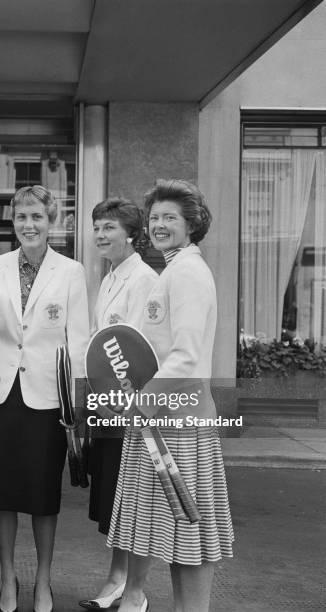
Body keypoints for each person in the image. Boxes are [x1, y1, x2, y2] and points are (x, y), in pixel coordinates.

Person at [106, 179, 234, 612]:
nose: (159, 225)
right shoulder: (175, 268)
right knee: (183, 539)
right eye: (155, 217)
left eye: (170, 218)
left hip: (178, 421)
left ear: (192, 224)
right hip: (167, 418)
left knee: (192, 536)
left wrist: (142, 401)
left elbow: (188, 355)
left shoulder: (189, 272)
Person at [0, 185, 89, 612]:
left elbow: (79, 340)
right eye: (22, 217)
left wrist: (77, 404)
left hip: (49, 398)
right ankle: (9, 579)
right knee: (1, 492)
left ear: (51, 221)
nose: (29, 225)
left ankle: (43, 581)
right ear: (13, 221)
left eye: (37, 217)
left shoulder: (71, 271)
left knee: (43, 495)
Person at [79, 198, 157, 611]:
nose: (100, 235)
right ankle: (117, 579)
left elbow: (140, 352)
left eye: (109, 227)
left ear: (131, 233)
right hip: (106, 403)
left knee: (128, 496)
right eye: (96, 228)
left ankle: (129, 589)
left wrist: (121, 401)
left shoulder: (143, 279)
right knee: (114, 495)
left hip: (129, 407)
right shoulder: (109, 278)